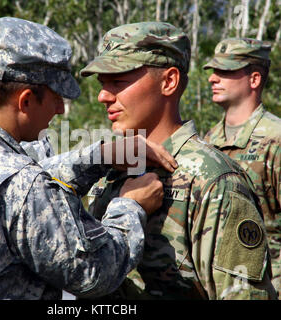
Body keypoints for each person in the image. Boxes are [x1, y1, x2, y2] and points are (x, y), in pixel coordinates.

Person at [0, 17, 167, 300]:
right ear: (25, 100)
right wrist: (130, 207)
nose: (60, 111)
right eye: (57, 98)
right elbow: (93, 274)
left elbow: (7, 181)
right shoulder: (23, 186)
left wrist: (98, 157)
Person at [81, 22, 277, 299]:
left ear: (169, 82)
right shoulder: (107, 169)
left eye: (118, 81)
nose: (103, 95)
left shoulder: (215, 181)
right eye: (102, 83)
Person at [203, 38, 280, 297]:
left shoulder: (276, 139)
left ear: (254, 79)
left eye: (225, 71)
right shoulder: (208, 141)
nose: (214, 78)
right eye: (214, 71)